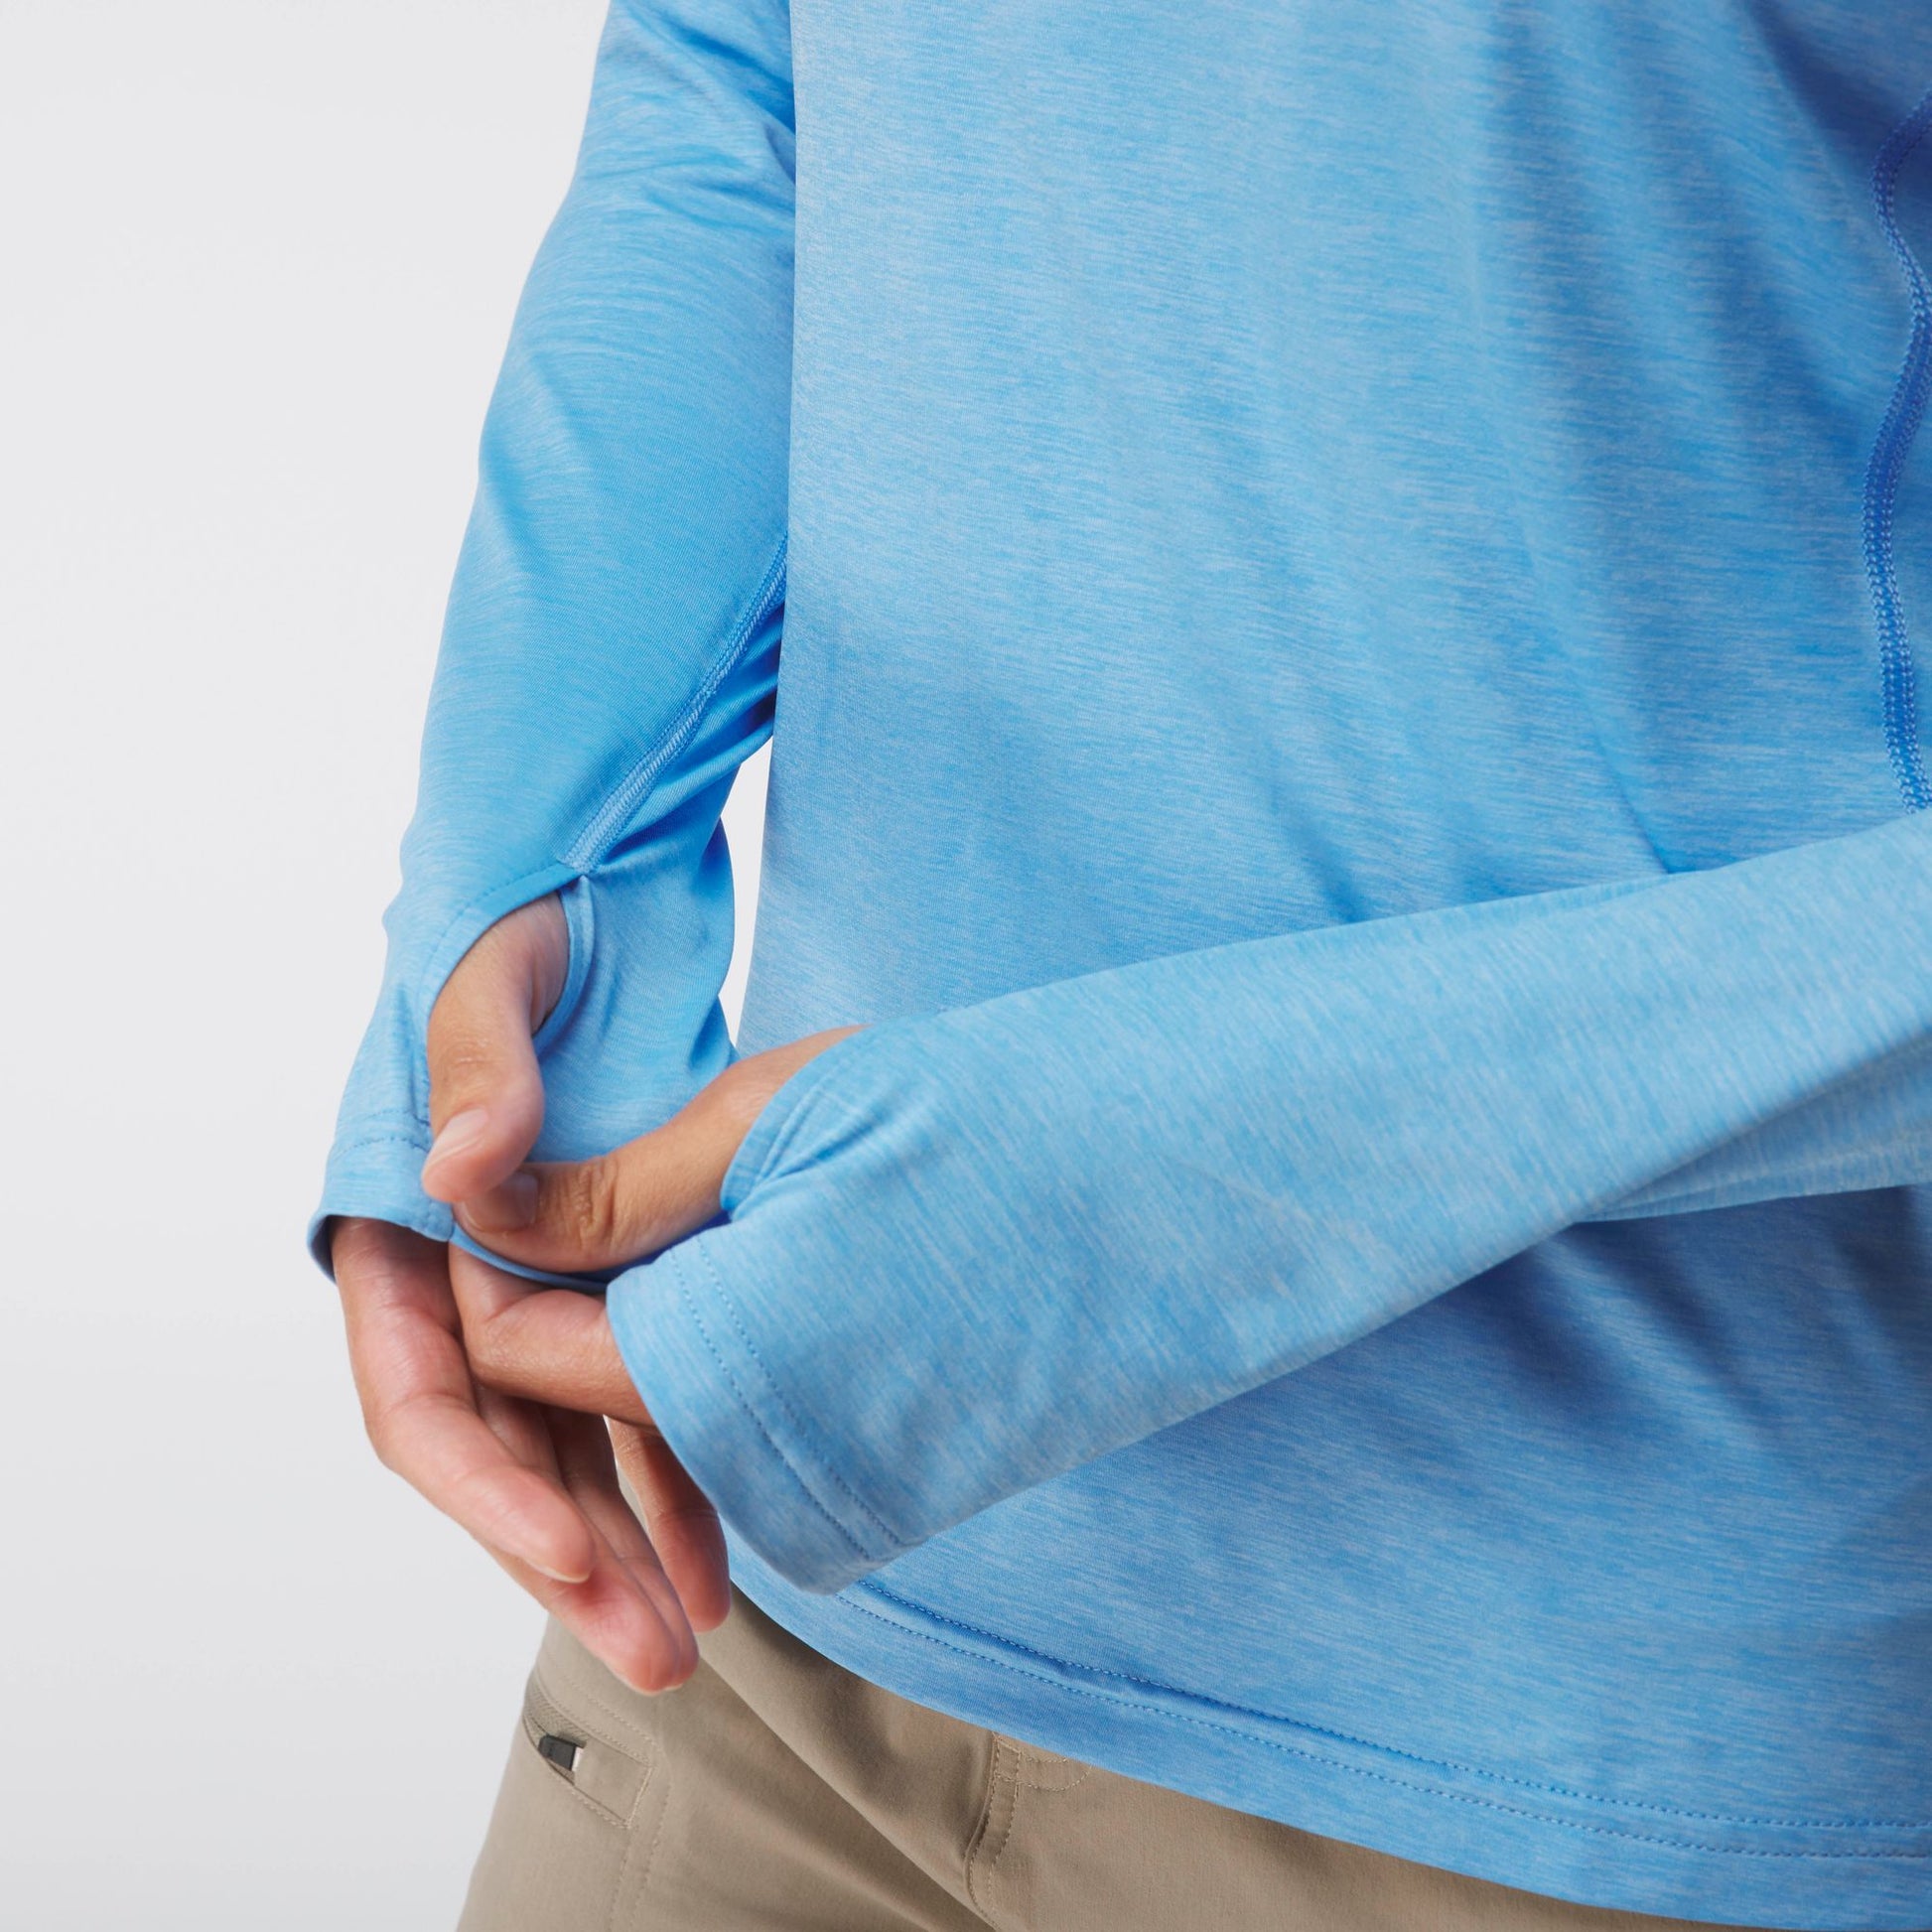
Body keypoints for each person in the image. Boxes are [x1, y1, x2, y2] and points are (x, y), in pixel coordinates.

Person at [316, 1, 1932, 1926]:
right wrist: (525, 897)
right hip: (759, 1586)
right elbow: (744, 83)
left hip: (1592, 1716)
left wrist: (1143, 1185)